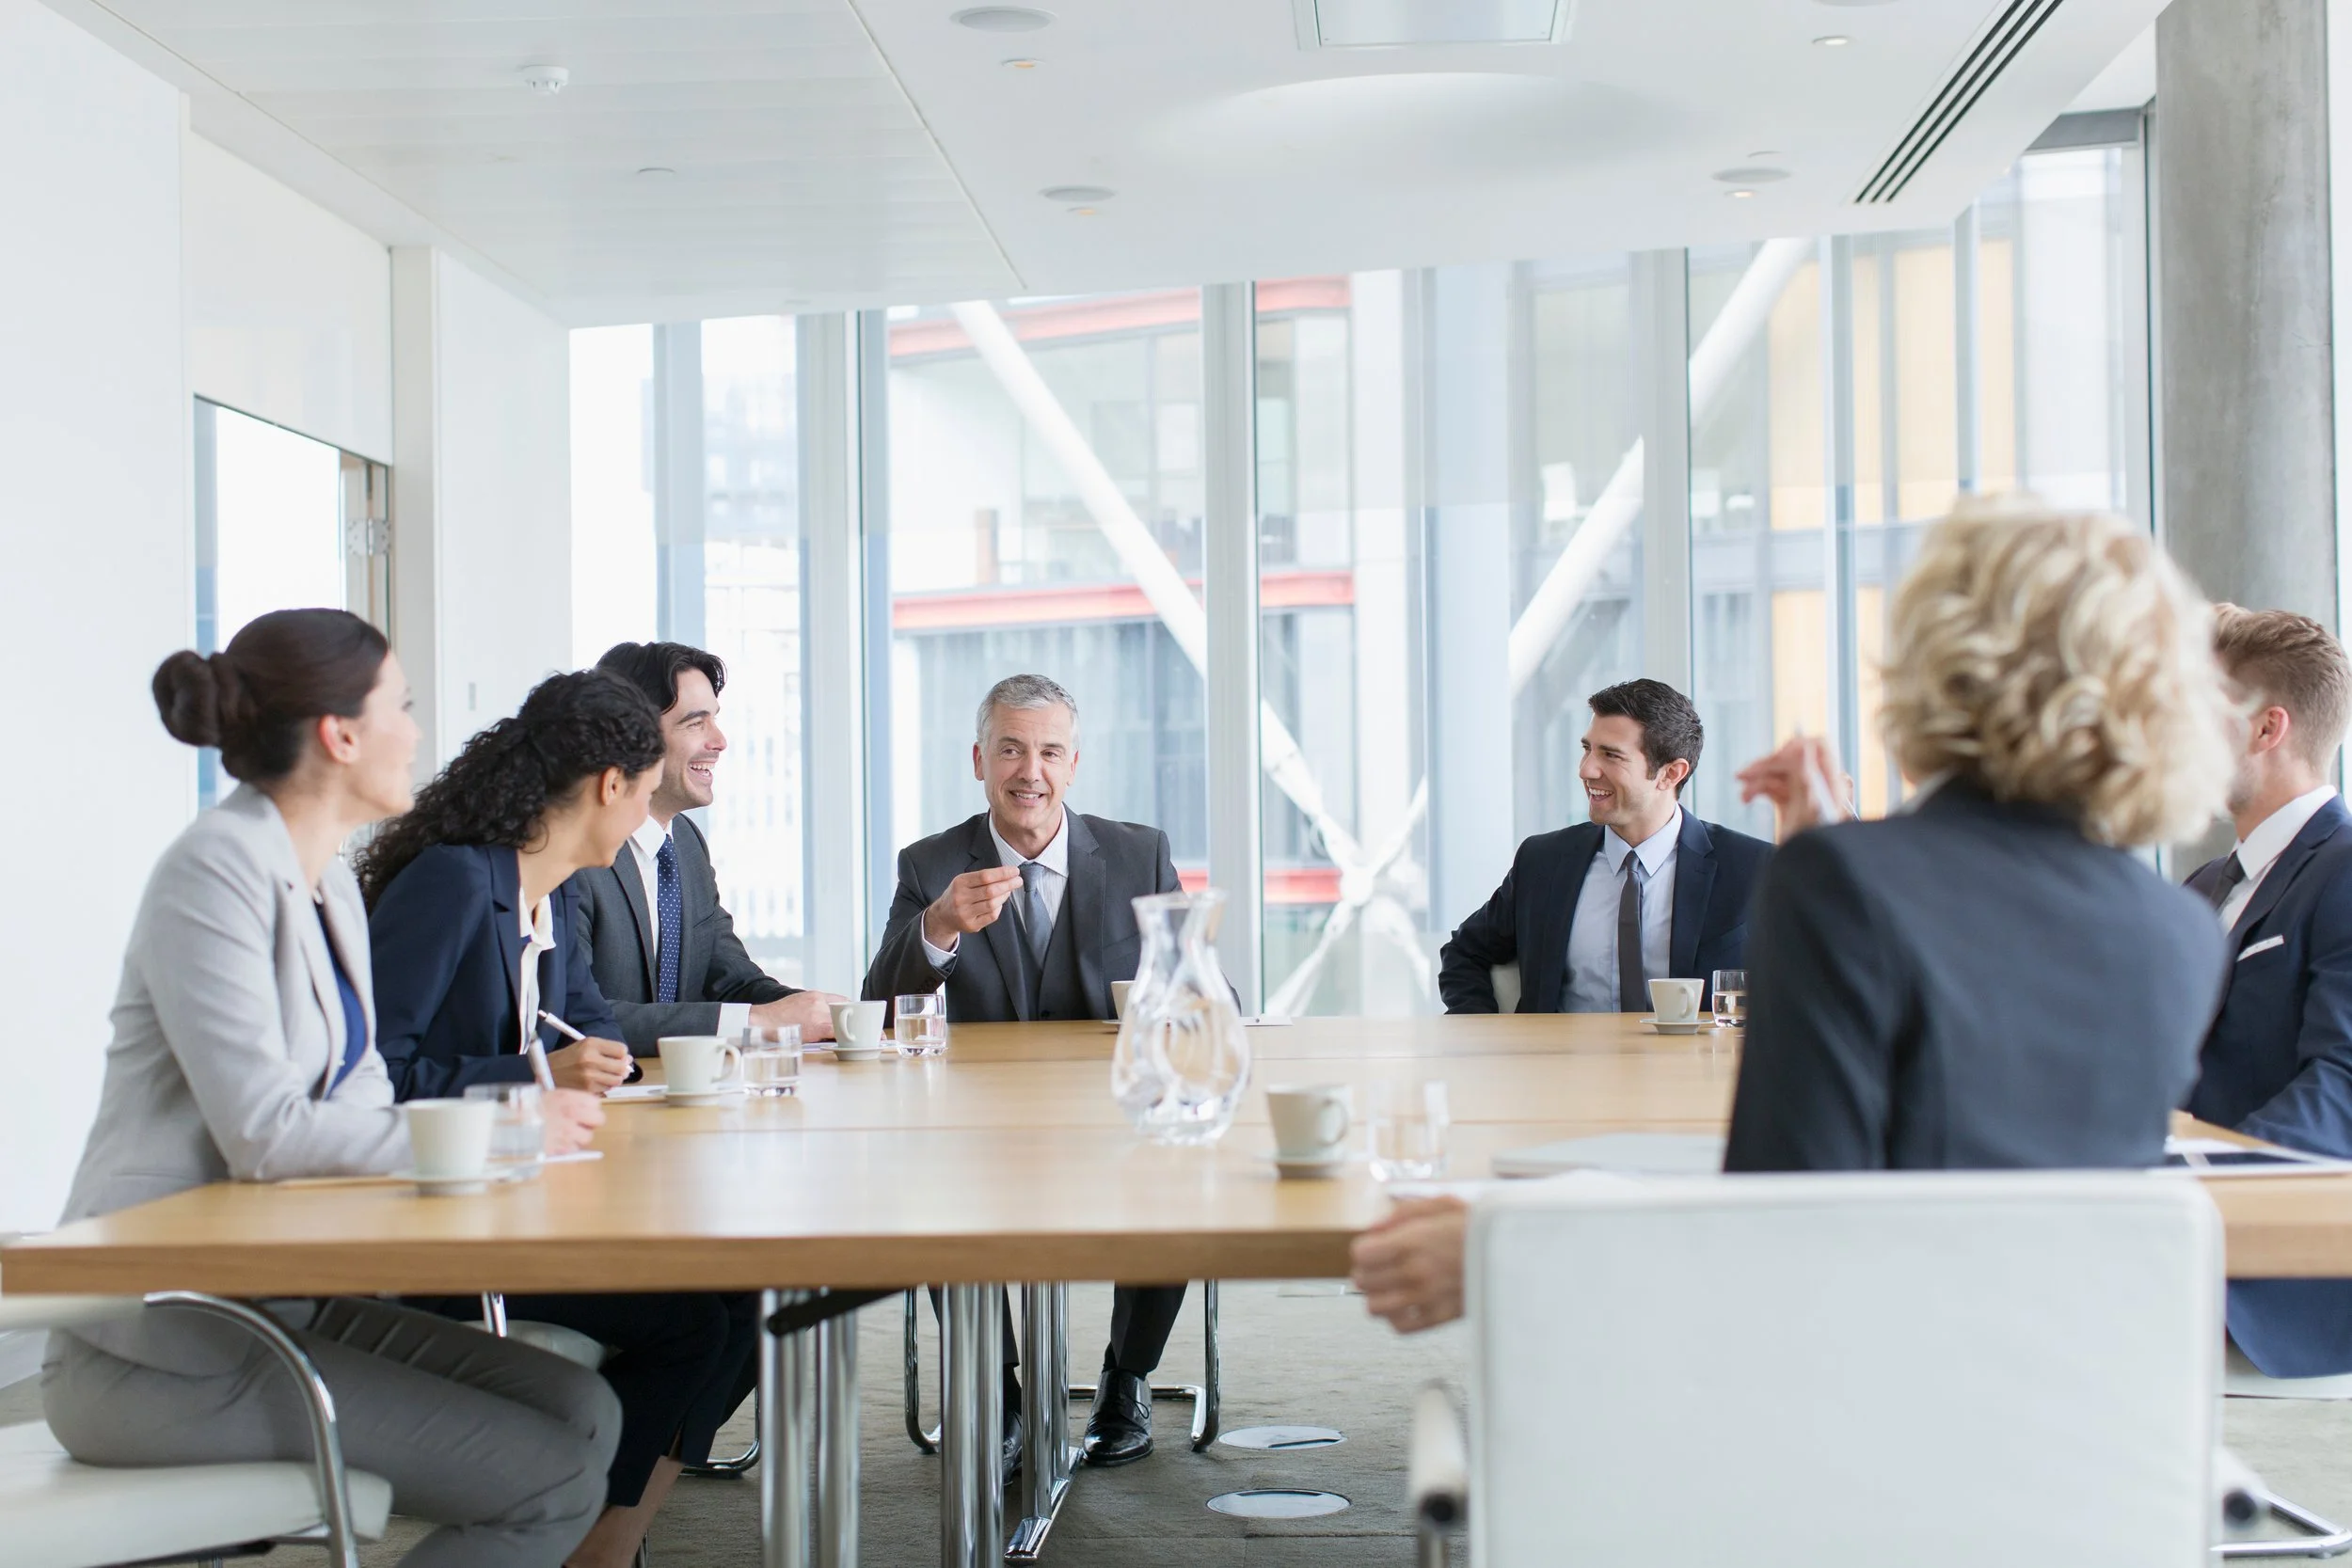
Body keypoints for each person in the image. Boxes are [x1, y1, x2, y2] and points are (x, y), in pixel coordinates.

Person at [1354, 499, 2237, 1333]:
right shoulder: (2184, 932)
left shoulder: (1843, 881)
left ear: (1940, 666)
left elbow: (1781, 1224)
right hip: (2074, 1415)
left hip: (1857, 1401)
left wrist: (1509, 1246)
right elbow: (1986, 1166)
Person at [42, 610, 618, 1568]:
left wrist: (507, 1130)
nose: (418, 731)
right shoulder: (213, 869)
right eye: (402, 705)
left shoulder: (327, 882)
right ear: (339, 735)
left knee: (583, 1405)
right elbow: (265, 1132)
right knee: (549, 1473)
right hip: (156, 1341)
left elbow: (363, 1094)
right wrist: (513, 1122)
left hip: (281, 1299)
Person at [356, 670, 755, 1568]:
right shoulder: (454, 884)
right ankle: (596, 1544)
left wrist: (595, 1059)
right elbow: (374, 1075)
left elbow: (595, 1026)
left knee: (749, 1296)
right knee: (693, 1323)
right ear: (611, 786)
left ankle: (608, 1532)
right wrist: (536, 1074)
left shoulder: (558, 888)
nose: (647, 815)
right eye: (646, 792)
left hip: (529, 1192)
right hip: (442, 1220)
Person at [864, 673, 1184, 1471]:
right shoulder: (931, 862)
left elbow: (1198, 983)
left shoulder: (1140, 853)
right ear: (979, 760)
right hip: (975, 1123)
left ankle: (1126, 1377)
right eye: (1010, 749)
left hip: (1112, 1113)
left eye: (1048, 751)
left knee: (1180, 1169)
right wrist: (937, 927)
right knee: (932, 1181)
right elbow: (880, 1006)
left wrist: (1171, 1003)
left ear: (1074, 764)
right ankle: (999, 1393)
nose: (1029, 770)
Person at [2183, 608, 2352, 1377]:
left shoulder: (2345, 867)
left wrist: (2188, 1178)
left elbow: (2341, 1086)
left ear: (2264, 728)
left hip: (2273, 1284)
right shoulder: (2204, 884)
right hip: (2169, 1241)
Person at [1437, 678, 1772, 1014]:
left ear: (1670, 774)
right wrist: (1486, 1039)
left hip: (1694, 1066)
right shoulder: (1543, 862)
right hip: (1561, 1065)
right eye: (1587, 749)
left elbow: (1802, 985)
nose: (1586, 770)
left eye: (1611, 755)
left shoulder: (1752, 869)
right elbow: (1464, 953)